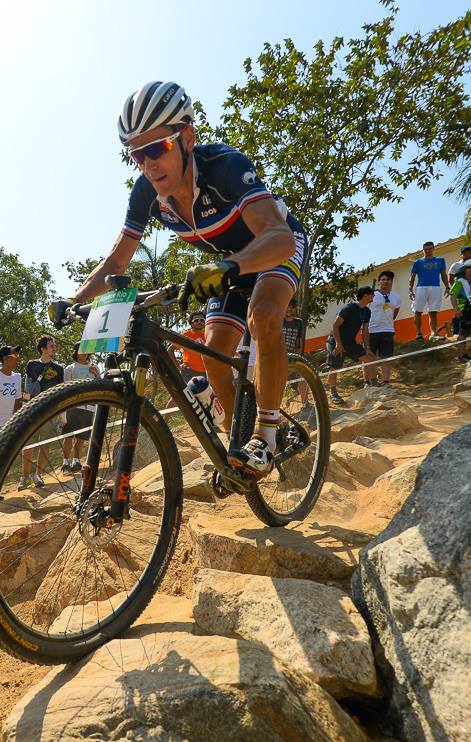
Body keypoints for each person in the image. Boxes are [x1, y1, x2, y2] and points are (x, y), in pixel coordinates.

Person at [59, 81, 308, 478]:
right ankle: (235, 445)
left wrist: (227, 269)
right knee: (213, 353)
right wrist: (73, 300)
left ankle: (266, 434)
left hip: (276, 244)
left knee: (263, 315)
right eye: (137, 154)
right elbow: (116, 261)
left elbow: (276, 237)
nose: (148, 164)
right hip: (230, 264)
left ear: (188, 135)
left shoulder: (225, 167)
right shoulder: (146, 193)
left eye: (157, 148)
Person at [20, 336, 67, 487]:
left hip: (50, 412)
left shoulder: (59, 369)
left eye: (54, 346)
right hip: (33, 410)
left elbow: (61, 392)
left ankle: (38, 475)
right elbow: (27, 389)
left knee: (45, 444)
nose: (54, 348)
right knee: (28, 445)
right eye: (51, 346)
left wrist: (61, 415)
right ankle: (24, 477)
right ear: (43, 349)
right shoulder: (31, 364)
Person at [326, 287, 374, 405]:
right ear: (366, 295)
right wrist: (338, 344)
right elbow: (335, 326)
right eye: (372, 294)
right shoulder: (349, 308)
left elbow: (365, 331)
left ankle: (368, 384)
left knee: (368, 358)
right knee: (334, 367)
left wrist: (367, 347)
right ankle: (333, 393)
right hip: (335, 340)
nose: (374, 296)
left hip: (350, 343)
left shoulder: (367, 311)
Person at [62, 345, 102, 472]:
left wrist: (96, 374)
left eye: (86, 351)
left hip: (89, 407)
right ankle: (65, 462)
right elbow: (65, 388)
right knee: (68, 435)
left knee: (82, 436)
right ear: (76, 353)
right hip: (73, 406)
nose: (84, 354)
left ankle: (76, 461)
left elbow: (100, 384)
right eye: (81, 351)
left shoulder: (94, 367)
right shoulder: (70, 368)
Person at [408, 241, 449, 342]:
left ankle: (433, 333)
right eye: (426, 249)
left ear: (433, 249)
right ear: (423, 250)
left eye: (430, 249)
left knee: (433, 312)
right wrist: (410, 289)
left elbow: (443, 274)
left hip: (435, 287)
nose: (428, 251)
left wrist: (447, 287)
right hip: (421, 288)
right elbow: (412, 276)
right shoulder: (418, 262)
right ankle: (418, 333)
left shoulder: (440, 260)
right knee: (417, 311)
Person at [364, 270, 399, 385]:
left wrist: (388, 322)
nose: (385, 282)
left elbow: (396, 310)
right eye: (383, 279)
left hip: (388, 330)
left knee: (386, 357)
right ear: (379, 282)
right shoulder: (371, 295)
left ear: (391, 281)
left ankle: (386, 382)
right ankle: (367, 382)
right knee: (368, 357)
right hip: (372, 330)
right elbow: (364, 310)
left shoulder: (395, 297)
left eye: (388, 279)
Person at [281, 299, 310, 405]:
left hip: (293, 356)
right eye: (287, 306)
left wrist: (298, 356)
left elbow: (299, 340)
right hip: (278, 357)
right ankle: (276, 409)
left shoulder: (299, 322)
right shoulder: (279, 320)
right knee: (278, 382)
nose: (289, 309)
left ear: (295, 308)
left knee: (302, 377)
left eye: (292, 307)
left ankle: (305, 403)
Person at [171, 309, 208, 381]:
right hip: (189, 372)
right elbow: (170, 349)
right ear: (191, 323)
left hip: (206, 373)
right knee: (184, 392)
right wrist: (178, 366)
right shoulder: (185, 335)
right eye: (196, 320)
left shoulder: (208, 335)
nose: (199, 322)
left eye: (202, 320)